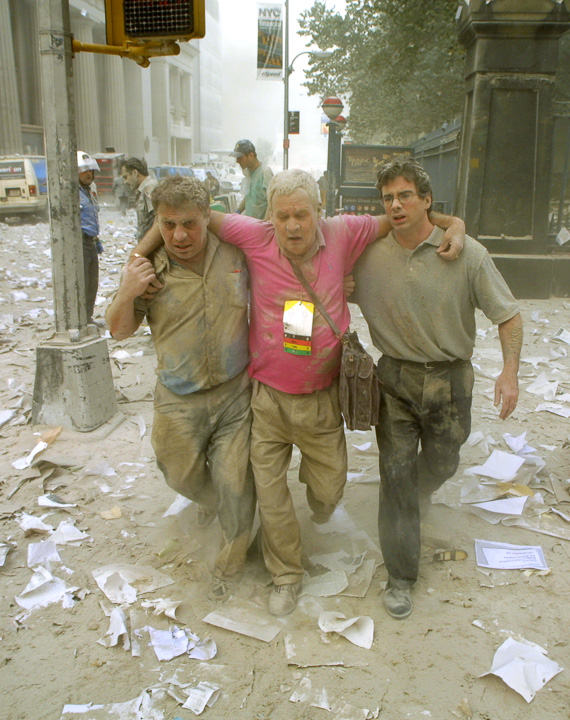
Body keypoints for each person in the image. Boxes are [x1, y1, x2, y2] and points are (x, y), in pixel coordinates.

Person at [130, 169, 467, 616]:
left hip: (322, 400)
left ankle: (318, 503)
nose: (292, 226)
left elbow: (403, 220)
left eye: (302, 215)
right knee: (272, 498)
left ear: (319, 211)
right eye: (283, 215)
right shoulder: (253, 237)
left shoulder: (345, 231)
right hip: (266, 400)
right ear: (269, 216)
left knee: (328, 494)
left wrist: (453, 224)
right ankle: (285, 575)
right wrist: (136, 258)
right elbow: (183, 216)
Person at [352, 159, 523, 620]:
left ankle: (420, 493)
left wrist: (510, 371)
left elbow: (507, 315)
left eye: (406, 195)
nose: (396, 204)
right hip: (395, 380)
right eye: (388, 197)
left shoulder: (466, 254)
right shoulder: (368, 255)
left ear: (427, 200)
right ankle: (401, 576)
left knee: (444, 462)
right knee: (396, 474)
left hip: (451, 379)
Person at [105, 176, 255, 602]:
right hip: (177, 398)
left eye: (190, 223)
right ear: (157, 222)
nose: (180, 235)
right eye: (168, 225)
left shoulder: (236, 252)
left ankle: (232, 562)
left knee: (235, 482)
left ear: (208, 216)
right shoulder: (147, 270)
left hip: (234, 394)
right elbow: (118, 330)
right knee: (181, 476)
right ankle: (213, 504)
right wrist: (128, 289)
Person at [77, 150, 102, 322]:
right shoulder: (71, 193)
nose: (88, 174)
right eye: (84, 170)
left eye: (91, 171)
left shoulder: (89, 191)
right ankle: (79, 319)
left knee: (92, 282)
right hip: (80, 242)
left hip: (91, 242)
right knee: (82, 282)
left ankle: (88, 317)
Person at [230, 139, 273, 219]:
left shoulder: (265, 173)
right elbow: (248, 196)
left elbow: (272, 203)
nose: (237, 161)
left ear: (251, 155)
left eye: (240, 158)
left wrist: (265, 224)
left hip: (261, 225)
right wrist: (237, 212)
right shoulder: (249, 174)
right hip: (251, 224)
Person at [122, 157, 154, 239]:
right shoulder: (143, 190)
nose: (126, 182)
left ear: (135, 173)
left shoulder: (150, 189)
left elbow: (155, 223)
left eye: (126, 177)